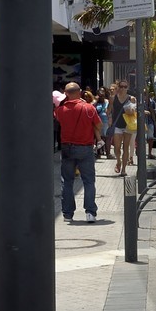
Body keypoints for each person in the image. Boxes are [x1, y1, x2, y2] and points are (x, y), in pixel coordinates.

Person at [53, 81, 103, 223]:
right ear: (80, 92)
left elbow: (57, 117)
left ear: (66, 94)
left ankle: (68, 214)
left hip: (67, 148)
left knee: (67, 181)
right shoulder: (88, 108)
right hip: (85, 148)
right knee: (88, 181)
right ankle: (90, 212)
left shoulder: (60, 110)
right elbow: (99, 124)